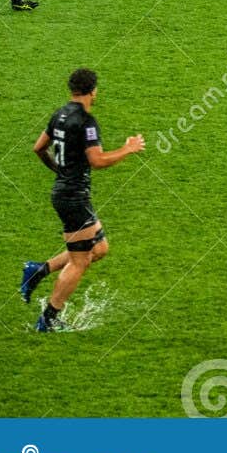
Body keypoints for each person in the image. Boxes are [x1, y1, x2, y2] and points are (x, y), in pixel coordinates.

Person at [21, 68, 146, 332]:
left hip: (67, 194)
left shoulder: (59, 115)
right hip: (73, 198)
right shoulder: (86, 122)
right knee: (80, 261)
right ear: (93, 90)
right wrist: (128, 148)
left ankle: (38, 270)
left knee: (99, 249)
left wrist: (58, 170)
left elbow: (38, 148)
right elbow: (97, 160)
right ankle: (48, 319)